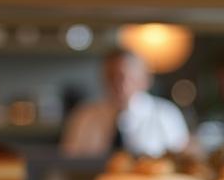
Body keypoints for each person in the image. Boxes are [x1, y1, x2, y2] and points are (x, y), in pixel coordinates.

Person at [61, 48, 189, 157]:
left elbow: (180, 160)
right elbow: (68, 162)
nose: (117, 84)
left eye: (124, 77)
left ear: (145, 80)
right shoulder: (84, 116)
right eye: (111, 76)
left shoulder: (166, 115)